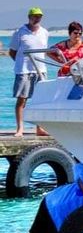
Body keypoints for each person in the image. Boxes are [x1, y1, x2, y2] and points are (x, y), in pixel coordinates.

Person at [9, 7, 49, 137]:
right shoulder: (20, 32)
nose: (37, 18)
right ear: (29, 17)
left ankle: (40, 128)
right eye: (34, 16)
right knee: (22, 100)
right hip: (24, 71)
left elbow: (44, 51)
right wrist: (21, 63)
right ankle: (20, 129)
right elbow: (12, 52)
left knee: (40, 100)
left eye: (39, 16)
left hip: (40, 70)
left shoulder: (44, 32)